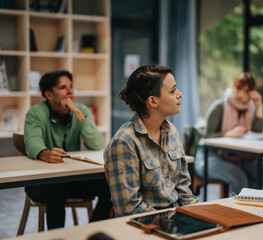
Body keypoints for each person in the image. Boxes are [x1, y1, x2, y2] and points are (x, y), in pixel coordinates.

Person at [104, 65, 198, 217]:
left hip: (175, 218)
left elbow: (183, 188)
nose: (179, 94)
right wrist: (173, 224)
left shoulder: (172, 131)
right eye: (173, 91)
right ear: (153, 101)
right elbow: (129, 208)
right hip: (147, 227)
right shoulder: (125, 142)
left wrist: (198, 217)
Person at [24, 70, 112, 229]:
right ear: (49, 94)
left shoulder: (82, 111)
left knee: (112, 185)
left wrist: (78, 113)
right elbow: (31, 141)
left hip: (72, 179)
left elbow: (97, 143)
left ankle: (93, 234)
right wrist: (44, 153)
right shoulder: (35, 113)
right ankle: (57, 237)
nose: (70, 91)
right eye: (63, 87)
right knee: (55, 187)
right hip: (41, 182)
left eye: (71, 86)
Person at [194, 72, 263, 195]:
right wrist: (227, 135)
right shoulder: (219, 106)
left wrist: (259, 105)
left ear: (251, 93)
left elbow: (257, 133)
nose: (240, 94)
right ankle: (239, 211)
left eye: (246, 91)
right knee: (239, 178)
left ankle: (248, 204)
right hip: (210, 156)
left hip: (237, 156)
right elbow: (207, 137)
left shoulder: (250, 108)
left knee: (261, 173)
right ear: (234, 87)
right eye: (239, 88)